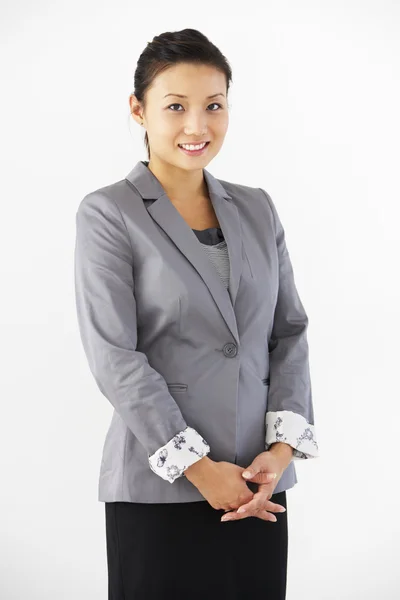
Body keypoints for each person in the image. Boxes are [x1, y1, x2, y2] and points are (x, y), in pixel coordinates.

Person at [74, 28, 319, 600]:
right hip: (159, 487)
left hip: (260, 485)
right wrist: (200, 469)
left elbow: (289, 333)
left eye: (214, 106)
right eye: (175, 107)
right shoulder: (109, 213)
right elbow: (115, 356)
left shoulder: (257, 207)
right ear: (139, 110)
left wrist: (280, 454)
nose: (197, 126)